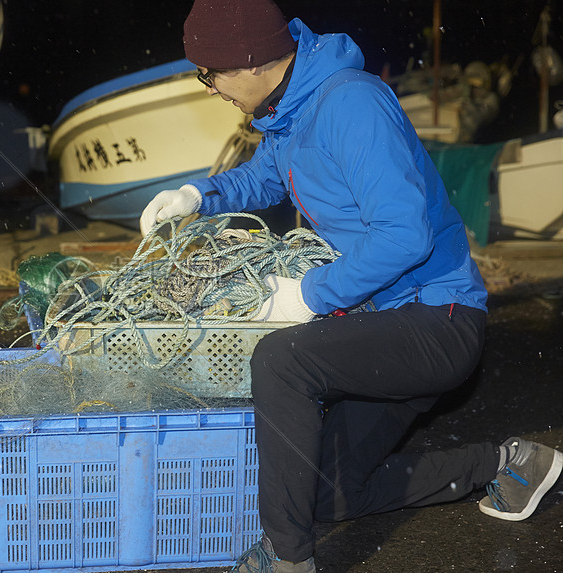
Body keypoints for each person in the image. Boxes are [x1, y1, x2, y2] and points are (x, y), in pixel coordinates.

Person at [138, 1, 563, 572]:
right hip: (385, 318)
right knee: (325, 491)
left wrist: (306, 295)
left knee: (281, 360)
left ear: (248, 61)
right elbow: (265, 176)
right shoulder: (291, 108)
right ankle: (508, 464)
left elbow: (405, 235)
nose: (209, 88)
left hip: (439, 318)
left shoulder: (351, 103)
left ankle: (287, 558)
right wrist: (197, 197)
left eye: (207, 74)